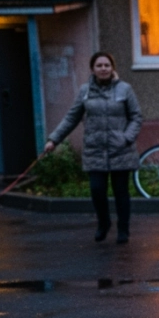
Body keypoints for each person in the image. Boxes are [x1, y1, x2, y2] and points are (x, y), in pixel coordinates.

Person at [44, 52, 143, 244]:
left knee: (121, 191)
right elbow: (71, 117)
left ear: (112, 68)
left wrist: (126, 138)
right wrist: (54, 140)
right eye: (99, 65)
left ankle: (123, 229)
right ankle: (103, 223)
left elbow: (136, 117)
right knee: (97, 190)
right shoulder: (85, 91)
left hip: (120, 149)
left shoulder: (125, 89)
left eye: (107, 65)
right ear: (93, 69)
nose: (103, 68)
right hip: (95, 150)